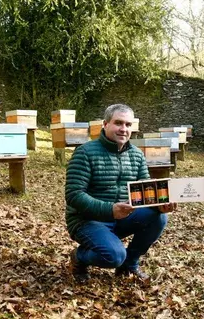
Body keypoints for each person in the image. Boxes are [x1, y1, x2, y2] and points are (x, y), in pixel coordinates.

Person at [65, 103, 176, 283]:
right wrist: (110, 209)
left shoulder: (137, 155)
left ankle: (129, 264)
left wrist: (159, 205)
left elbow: (145, 191)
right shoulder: (84, 153)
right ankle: (79, 256)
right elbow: (74, 195)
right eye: (118, 123)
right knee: (114, 256)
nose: (123, 129)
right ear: (105, 124)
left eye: (128, 124)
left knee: (159, 217)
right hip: (87, 220)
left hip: (123, 216)